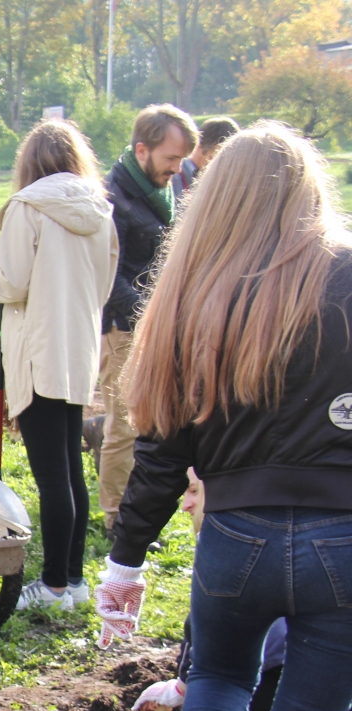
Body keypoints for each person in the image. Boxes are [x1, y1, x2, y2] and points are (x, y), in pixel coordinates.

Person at [96, 123, 352, 711]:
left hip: (235, 538)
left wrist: (124, 561)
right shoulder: (347, 276)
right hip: (343, 546)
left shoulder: (194, 292)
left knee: (216, 676)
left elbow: (161, 452)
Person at [132, 471, 352, 711]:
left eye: (193, 492)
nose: (186, 505)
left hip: (311, 673)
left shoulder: (239, 552)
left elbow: (214, 643)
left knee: (251, 671)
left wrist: (182, 685)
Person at [0, 119, 117, 610]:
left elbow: (13, 282)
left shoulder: (28, 206)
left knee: (51, 476)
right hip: (78, 351)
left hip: (38, 351)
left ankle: (55, 586)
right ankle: (74, 581)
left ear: (30, 164)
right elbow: (104, 286)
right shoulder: (102, 212)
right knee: (70, 472)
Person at [98, 104, 197, 534]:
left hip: (154, 326)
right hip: (123, 327)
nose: (177, 170)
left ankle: (144, 510)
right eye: (171, 159)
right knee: (124, 424)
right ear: (142, 150)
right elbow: (108, 275)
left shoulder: (160, 190)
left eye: (181, 160)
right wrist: (147, 315)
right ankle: (117, 516)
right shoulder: (112, 199)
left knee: (155, 422)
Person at [171, 116, 239, 206]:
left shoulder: (224, 183)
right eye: (215, 157)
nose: (223, 167)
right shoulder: (173, 177)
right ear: (198, 145)